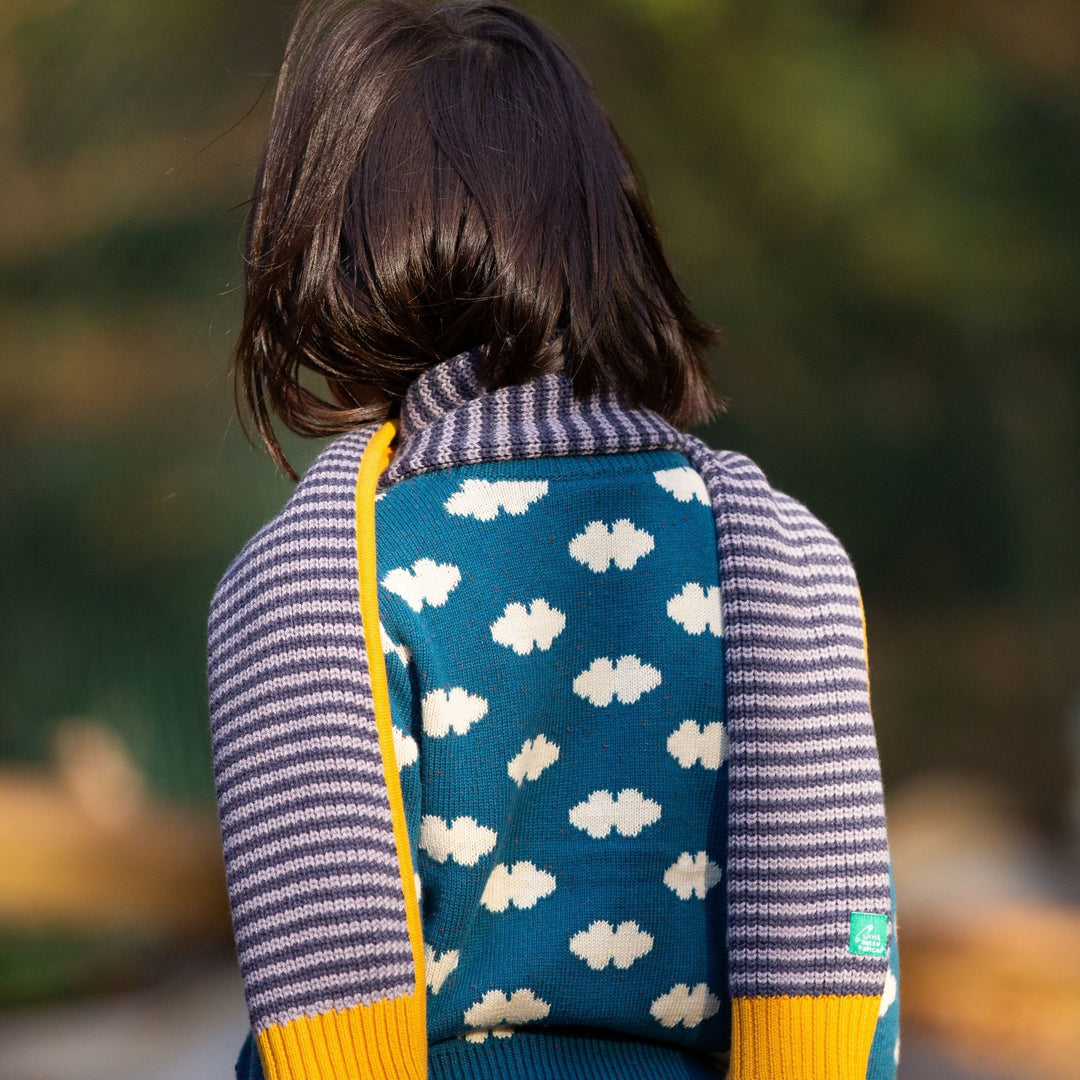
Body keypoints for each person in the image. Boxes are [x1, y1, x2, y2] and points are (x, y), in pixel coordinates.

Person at [207, 2, 901, 1078]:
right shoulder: (781, 558)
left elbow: (314, 988)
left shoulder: (303, 591)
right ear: (607, 231)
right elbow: (850, 946)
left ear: (325, 256)